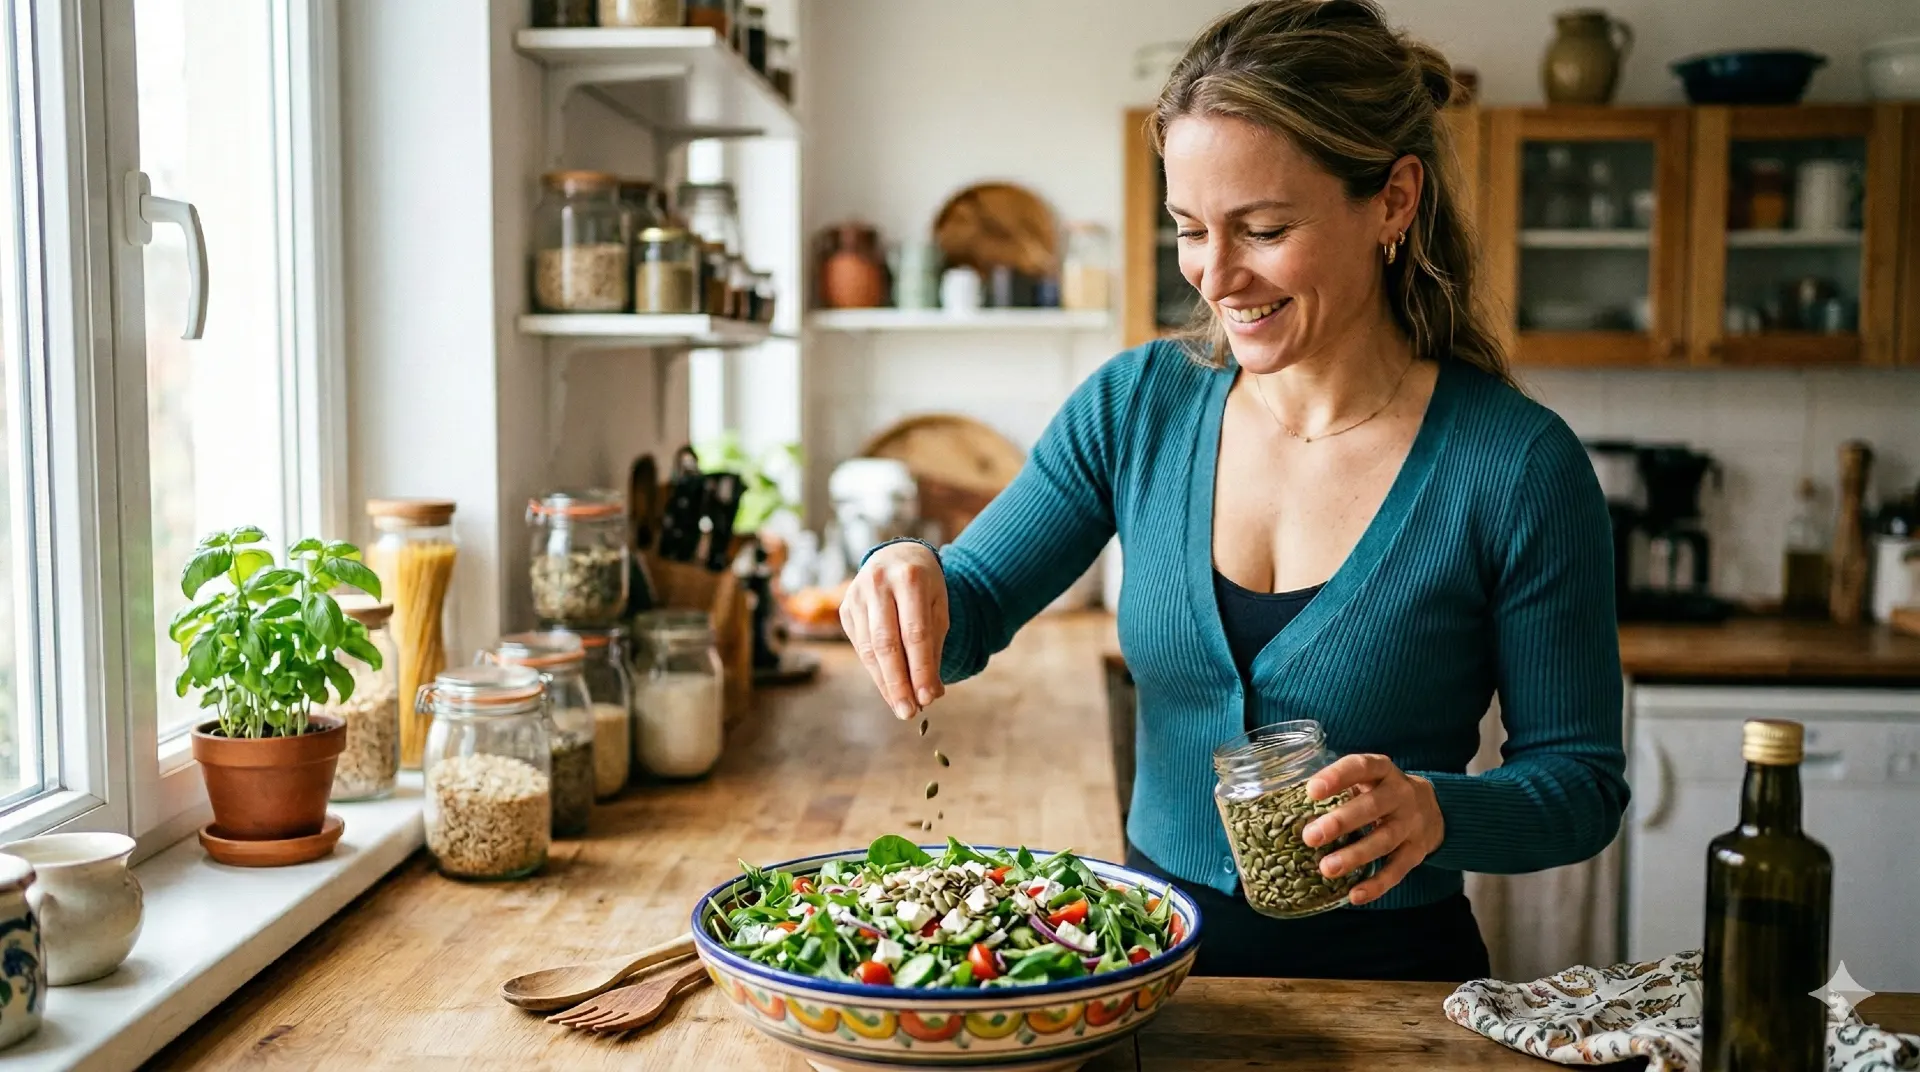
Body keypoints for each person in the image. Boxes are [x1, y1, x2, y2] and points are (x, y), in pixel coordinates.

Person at [840, 0, 1628, 982]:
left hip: (1389, 998)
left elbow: (1581, 783)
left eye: (1261, 228)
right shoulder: (1137, 408)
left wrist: (1436, 809)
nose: (1216, 277)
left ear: (1392, 200)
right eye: (1190, 229)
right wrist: (899, 568)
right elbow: (971, 606)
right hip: (1144, 982)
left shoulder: (1517, 467)